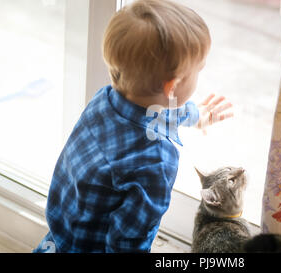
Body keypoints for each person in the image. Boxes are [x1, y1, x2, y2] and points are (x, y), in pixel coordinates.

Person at [34, 0, 232, 253]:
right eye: (199, 70)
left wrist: (194, 115)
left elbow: (153, 110)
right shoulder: (154, 161)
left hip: (57, 241)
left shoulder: (105, 100)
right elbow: (130, 241)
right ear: (171, 87)